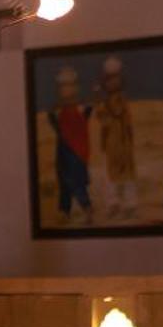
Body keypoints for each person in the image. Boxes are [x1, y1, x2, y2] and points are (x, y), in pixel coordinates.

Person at [46, 66, 93, 224]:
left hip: (77, 152)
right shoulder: (59, 109)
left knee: (77, 183)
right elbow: (56, 126)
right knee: (64, 184)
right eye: (63, 87)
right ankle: (64, 211)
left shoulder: (80, 107)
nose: (66, 90)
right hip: (63, 152)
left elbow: (86, 115)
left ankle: (87, 209)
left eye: (70, 86)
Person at [95, 57, 139, 220]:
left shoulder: (119, 100)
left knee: (126, 175)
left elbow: (117, 115)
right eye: (109, 80)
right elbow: (103, 119)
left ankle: (130, 205)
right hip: (112, 143)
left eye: (116, 80)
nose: (112, 83)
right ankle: (114, 204)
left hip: (122, 141)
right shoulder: (108, 101)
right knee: (111, 175)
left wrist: (100, 101)